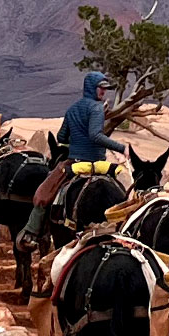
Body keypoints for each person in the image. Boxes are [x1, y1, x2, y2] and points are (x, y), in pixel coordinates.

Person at [24, 70, 128, 245]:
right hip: (97, 164)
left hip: (75, 162)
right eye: (100, 89)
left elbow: (61, 137)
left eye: (105, 89)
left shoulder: (73, 108)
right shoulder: (96, 108)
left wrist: (77, 138)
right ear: (91, 88)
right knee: (127, 192)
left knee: (44, 193)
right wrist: (121, 148)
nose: (103, 92)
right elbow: (95, 135)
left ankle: (31, 232)